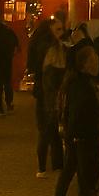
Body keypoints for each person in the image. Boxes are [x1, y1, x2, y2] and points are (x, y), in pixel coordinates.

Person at [51, 45, 99, 196]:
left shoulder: (79, 83)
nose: (97, 63)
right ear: (85, 65)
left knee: (69, 172)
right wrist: (79, 134)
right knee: (84, 178)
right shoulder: (82, 86)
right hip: (83, 136)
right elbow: (78, 112)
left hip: (77, 135)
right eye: (94, 60)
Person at [33, 18, 67, 177]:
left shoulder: (57, 47)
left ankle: (57, 164)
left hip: (49, 93)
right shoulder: (50, 49)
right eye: (58, 29)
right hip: (48, 94)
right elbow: (51, 76)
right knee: (47, 129)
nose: (61, 33)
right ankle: (42, 167)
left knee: (52, 131)